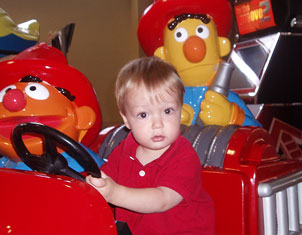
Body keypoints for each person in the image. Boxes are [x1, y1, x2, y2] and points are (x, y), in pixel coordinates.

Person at [86, 56, 215, 234]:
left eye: (167, 111)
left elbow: (163, 199)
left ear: (180, 111)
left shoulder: (184, 157)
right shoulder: (122, 152)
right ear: (127, 120)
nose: (157, 124)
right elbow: (104, 179)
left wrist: (115, 193)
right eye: (143, 115)